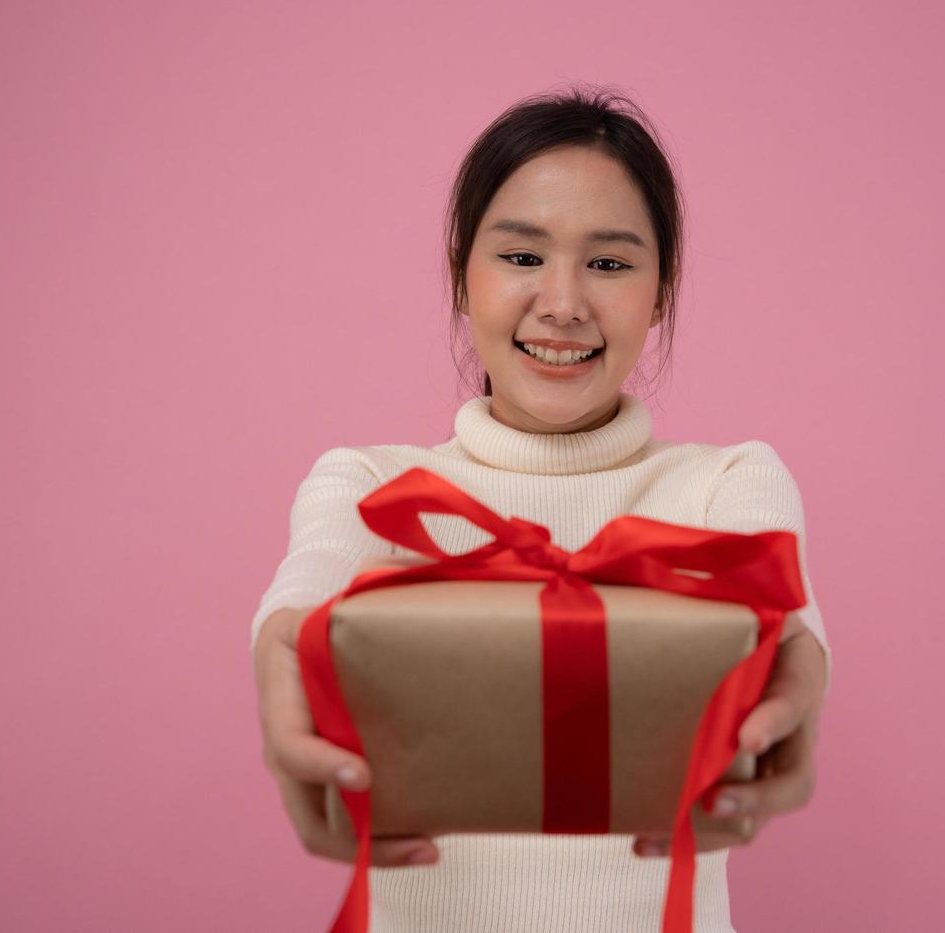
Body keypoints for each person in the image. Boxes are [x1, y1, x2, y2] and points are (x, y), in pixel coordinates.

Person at [251, 86, 832, 932]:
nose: (563, 303)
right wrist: (277, 658)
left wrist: (803, 666)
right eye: (522, 257)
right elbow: (301, 598)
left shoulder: (728, 483)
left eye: (609, 262)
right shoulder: (371, 487)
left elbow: (785, 618)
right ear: (462, 275)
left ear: (662, 292)